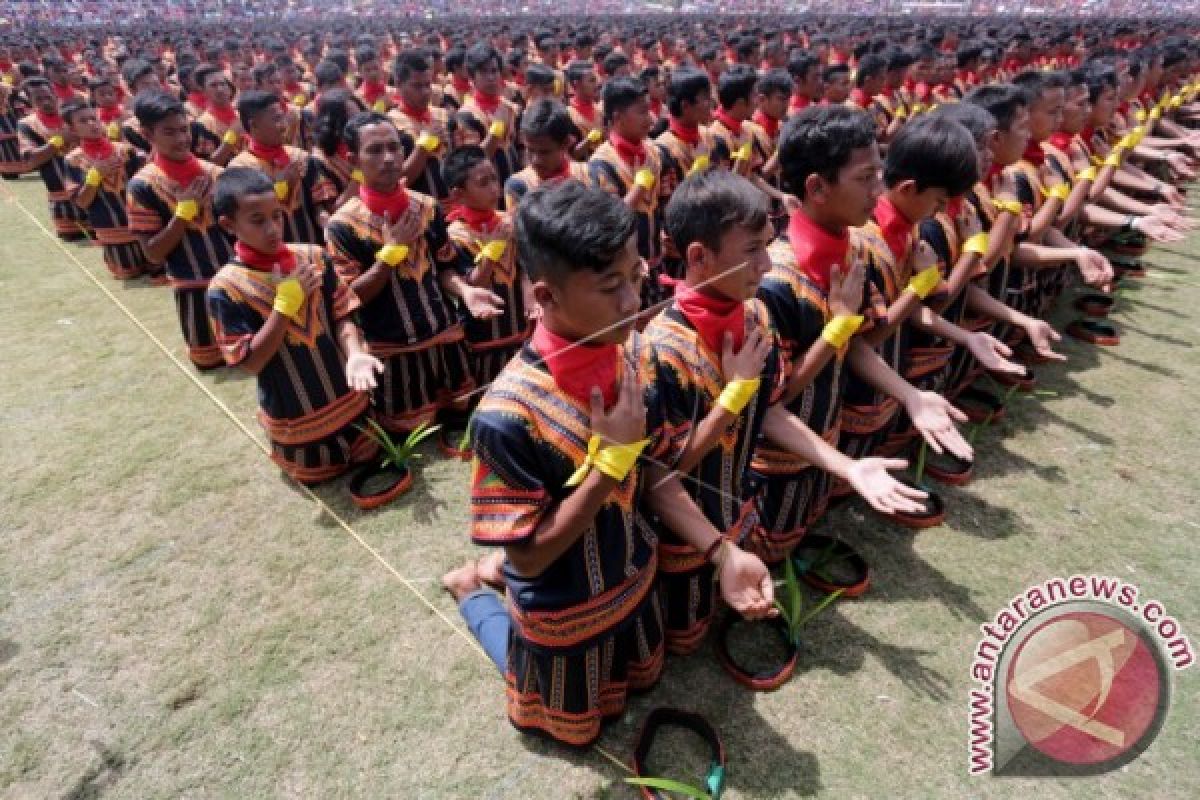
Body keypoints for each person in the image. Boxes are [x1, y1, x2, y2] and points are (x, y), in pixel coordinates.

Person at [440, 180, 771, 747]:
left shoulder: (636, 355)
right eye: (610, 286)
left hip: (633, 577)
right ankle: (471, 590)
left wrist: (722, 553)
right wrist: (609, 465)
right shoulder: (504, 416)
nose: (631, 302)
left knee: (635, 687)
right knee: (564, 723)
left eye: (637, 277)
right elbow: (534, 555)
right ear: (546, 297)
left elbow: (661, 475)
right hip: (563, 605)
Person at [206, 166, 381, 484]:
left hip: (352, 406)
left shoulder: (313, 256)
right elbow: (251, 361)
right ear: (228, 225)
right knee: (319, 476)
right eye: (257, 221)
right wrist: (284, 306)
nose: (273, 228)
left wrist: (355, 353)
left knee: (373, 455)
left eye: (277, 215)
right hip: (298, 425)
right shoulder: (225, 289)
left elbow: (342, 313)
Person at [324, 112, 473, 433]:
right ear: (353, 161)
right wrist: (389, 256)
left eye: (394, 147)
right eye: (375, 150)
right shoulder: (342, 225)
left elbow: (445, 267)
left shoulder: (427, 206)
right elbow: (351, 297)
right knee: (408, 429)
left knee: (462, 410)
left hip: (443, 336)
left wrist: (466, 290)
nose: (389, 158)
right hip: (393, 350)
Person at [127, 91, 232, 369]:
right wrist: (182, 215)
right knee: (209, 360)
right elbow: (152, 254)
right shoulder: (143, 185)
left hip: (234, 280)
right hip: (192, 287)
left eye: (185, 130)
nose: (182, 139)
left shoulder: (215, 174)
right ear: (148, 135)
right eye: (169, 132)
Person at [442, 145, 532, 388]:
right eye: (483, 183)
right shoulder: (455, 235)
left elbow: (524, 266)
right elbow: (470, 285)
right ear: (459, 195)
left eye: (494, 178)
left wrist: (528, 290)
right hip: (483, 342)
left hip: (518, 331)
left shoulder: (507, 221)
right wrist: (492, 250)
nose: (495, 188)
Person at [587, 76, 666, 313]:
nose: (650, 118)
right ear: (618, 116)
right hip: (624, 275)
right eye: (642, 112)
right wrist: (640, 186)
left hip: (656, 262)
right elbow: (610, 220)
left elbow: (659, 203)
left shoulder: (651, 152)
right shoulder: (601, 164)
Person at [228, 90, 335, 245]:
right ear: (254, 125)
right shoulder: (240, 169)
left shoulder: (301, 158)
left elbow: (319, 205)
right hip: (268, 258)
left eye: (283, 117)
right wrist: (280, 188)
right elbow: (246, 216)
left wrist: (327, 223)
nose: (284, 125)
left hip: (313, 251)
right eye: (276, 119)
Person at [61, 100, 149, 280]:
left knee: (156, 266)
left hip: (142, 223)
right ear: (72, 129)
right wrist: (94, 177)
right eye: (83, 121)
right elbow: (81, 202)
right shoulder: (73, 160)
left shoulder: (125, 150)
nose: (92, 124)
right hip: (110, 226)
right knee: (128, 273)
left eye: (94, 119)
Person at [17, 77, 89, 240]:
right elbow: (31, 160)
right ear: (30, 101)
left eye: (48, 97)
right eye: (38, 99)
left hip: (91, 191)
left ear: (55, 96)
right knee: (70, 236)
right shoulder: (27, 124)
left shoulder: (73, 116)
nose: (45, 102)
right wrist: (58, 141)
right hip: (61, 199)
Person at [504, 98, 589, 210]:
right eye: (530, 150)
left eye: (544, 152)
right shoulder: (520, 186)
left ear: (566, 144)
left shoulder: (588, 175)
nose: (535, 160)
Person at [387, 49, 450, 200]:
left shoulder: (442, 115)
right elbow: (396, 181)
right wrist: (423, 147)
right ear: (398, 84)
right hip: (418, 214)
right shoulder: (390, 126)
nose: (425, 92)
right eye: (417, 86)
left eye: (428, 85)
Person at [459, 43, 521, 190]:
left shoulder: (510, 107)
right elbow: (472, 162)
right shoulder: (466, 115)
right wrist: (496, 130)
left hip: (515, 185)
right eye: (484, 72)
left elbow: (521, 147)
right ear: (472, 77)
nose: (491, 77)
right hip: (486, 192)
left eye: (494, 71)